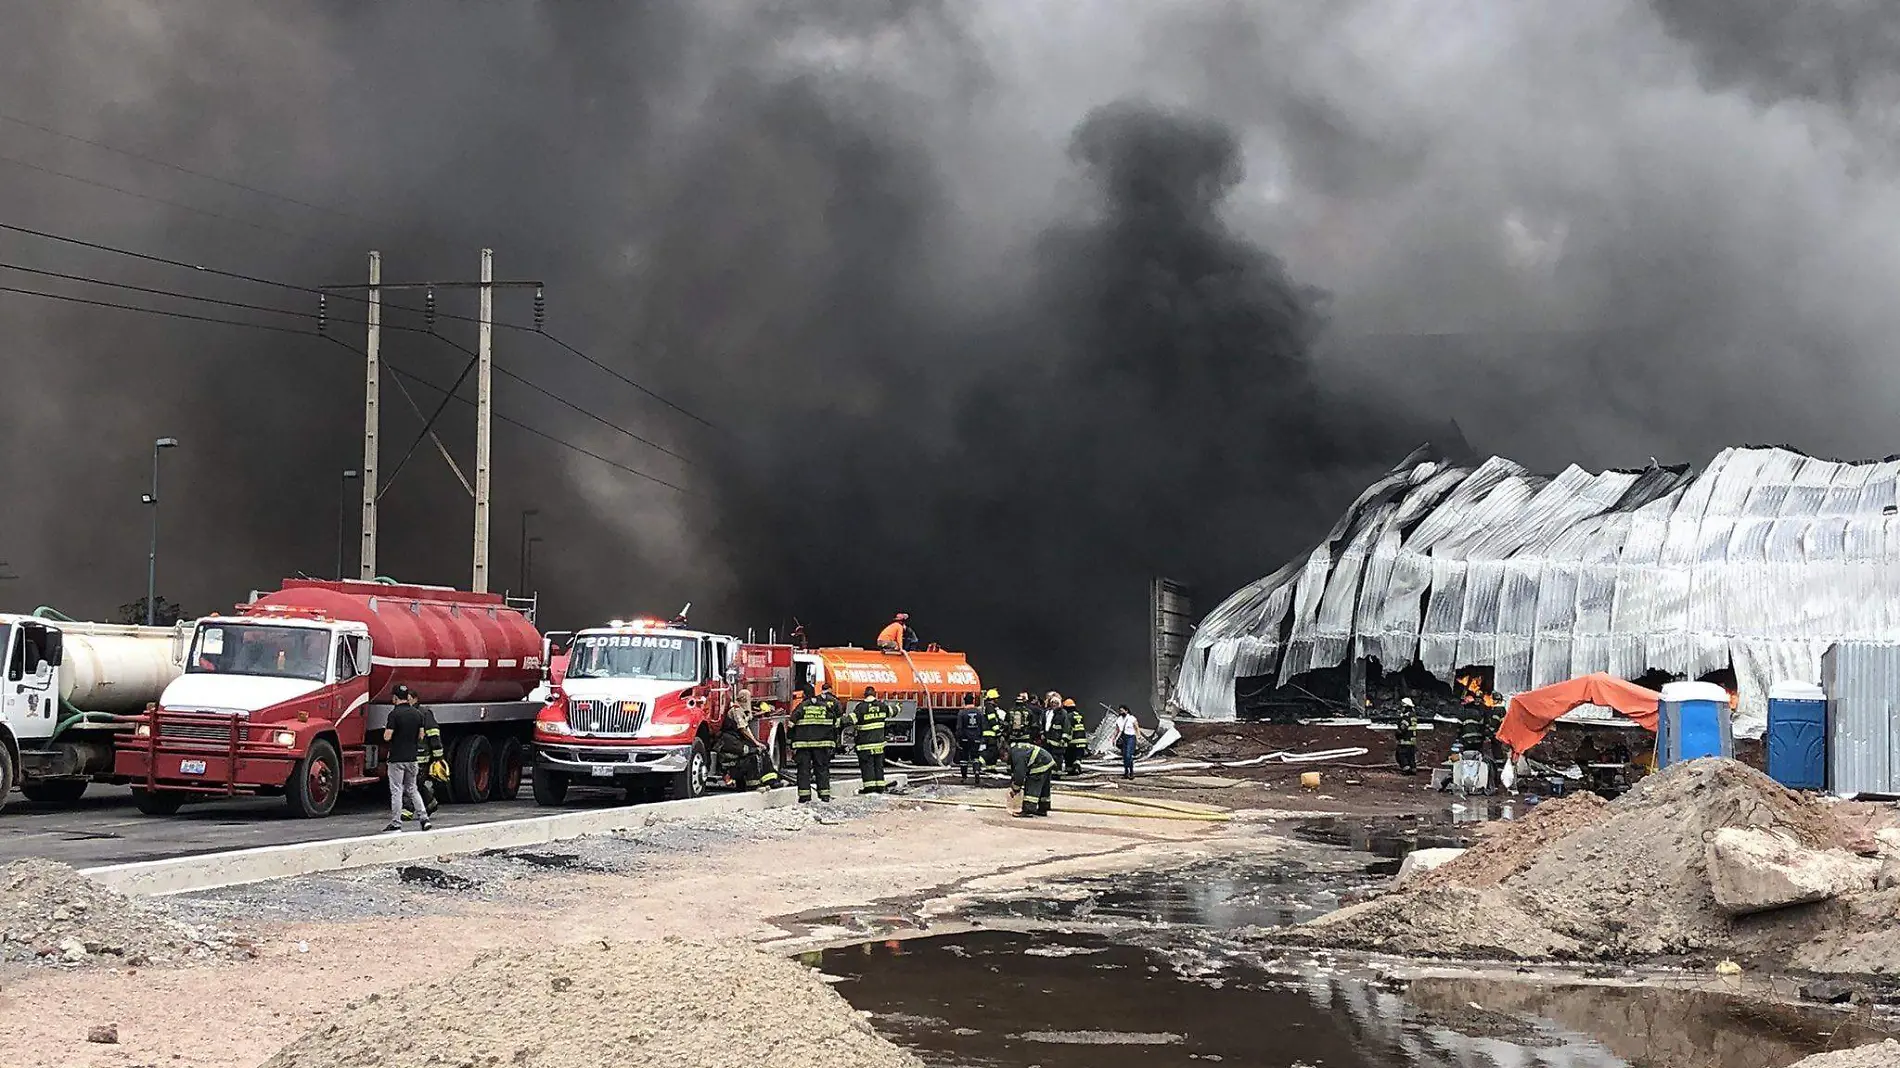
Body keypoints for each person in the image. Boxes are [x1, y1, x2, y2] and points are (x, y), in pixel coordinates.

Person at [382, 685, 435, 832]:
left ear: (395, 697)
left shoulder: (394, 715)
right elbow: (421, 735)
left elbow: (387, 736)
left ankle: (396, 822)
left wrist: (386, 733)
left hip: (397, 759)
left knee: (397, 790)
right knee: (413, 788)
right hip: (413, 758)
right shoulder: (417, 714)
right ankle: (424, 819)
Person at [716, 687, 779, 791]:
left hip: (736, 742)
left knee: (763, 749)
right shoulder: (736, 711)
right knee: (754, 754)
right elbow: (743, 729)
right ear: (745, 699)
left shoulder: (740, 710)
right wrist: (756, 743)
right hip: (732, 745)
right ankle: (753, 784)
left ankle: (770, 780)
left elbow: (746, 721)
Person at [788, 689, 839, 803]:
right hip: (822, 744)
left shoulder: (802, 707)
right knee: (822, 769)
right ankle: (824, 795)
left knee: (804, 770)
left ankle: (805, 796)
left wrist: (790, 739)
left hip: (803, 745)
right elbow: (835, 724)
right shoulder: (825, 707)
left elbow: (791, 723)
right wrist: (833, 742)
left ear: (805, 695)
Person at [849, 685, 891, 794]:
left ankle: (870, 789)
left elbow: (851, 719)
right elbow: (892, 711)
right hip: (879, 745)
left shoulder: (861, 708)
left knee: (868, 767)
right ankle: (880, 788)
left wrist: (838, 721)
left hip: (865, 745)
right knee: (878, 766)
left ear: (864, 695)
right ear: (875, 694)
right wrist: (899, 707)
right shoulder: (882, 706)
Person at [1006, 738, 1057, 817]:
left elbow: (1019, 774)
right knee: (1044, 786)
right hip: (1047, 759)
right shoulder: (1016, 750)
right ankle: (1043, 807)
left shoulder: (1016, 755)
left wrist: (1015, 789)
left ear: (1006, 753)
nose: (1003, 760)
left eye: (1002, 757)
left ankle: (1028, 809)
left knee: (1033, 783)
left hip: (1040, 762)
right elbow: (1015, 772)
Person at [956, 693, 987, 784]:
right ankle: (976, 772)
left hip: (965, 738)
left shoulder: (962, 713)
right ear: (973, 701)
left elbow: (959, 727)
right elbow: (982, 726)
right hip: (976, 738)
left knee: (964, 759)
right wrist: (981, 738)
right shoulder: (979, 712)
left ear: (965, 701)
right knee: (975, 757)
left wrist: (958, 739)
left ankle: (964, 777)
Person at [1113, 705, 1146, 779]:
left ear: (1126, 710)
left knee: (1128, 755)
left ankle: (1131, 771)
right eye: (1120, 711)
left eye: (1122, 710)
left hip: (1131, 737)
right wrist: (1114, 738)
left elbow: (1137, 727)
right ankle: (1126, 772)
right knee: (1124, 756)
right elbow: (1117, 730)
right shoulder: (1119, 719)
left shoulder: (1131, 718)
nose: (1121, 712)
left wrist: (1138, 736)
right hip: (1123, 738)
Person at [1059, 697, 1087, 776]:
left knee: (1069, 755)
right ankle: (1077, 764)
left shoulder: (1068, 716)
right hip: (1082, 739)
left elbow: (1067, 728)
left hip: (1073, 740)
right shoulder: (1079, 715)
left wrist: (1064, 739)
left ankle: (1071, 769)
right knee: (1078, 755)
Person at [1394, 697, 1418, 775]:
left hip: (1405, 741)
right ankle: (1413, 769)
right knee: (1411, 756)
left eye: (1402, 707)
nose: (1401, 708)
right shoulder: (1413, 716)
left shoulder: (1406, 716)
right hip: (1412, 741)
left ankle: (1406, 769)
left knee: (1401, 755)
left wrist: (1397, 733)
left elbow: (1403, 728)